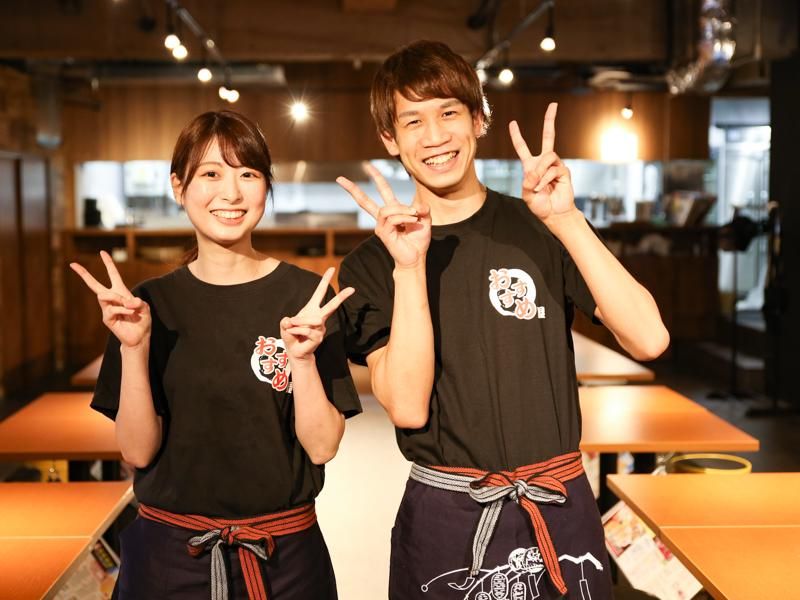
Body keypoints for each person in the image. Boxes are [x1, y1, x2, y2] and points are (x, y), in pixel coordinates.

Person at [336, 40, 669, 599]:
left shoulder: (541, 226)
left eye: (448, 112)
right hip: (446, 516)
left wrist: (566, 220)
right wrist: (409, 268)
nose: (434, 136)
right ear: (390, 138)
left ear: (478, 119)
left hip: (557, 504)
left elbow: (649, 338)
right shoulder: (373, 264)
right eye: (413, 120)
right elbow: (409, 407)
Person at [70, 110, 361, 600]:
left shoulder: (306, 298)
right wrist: (134, 348)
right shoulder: (147, 305)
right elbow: (137, 452)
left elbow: (321, 447)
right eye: (210, 174)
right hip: (169, 559)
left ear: (266, 187)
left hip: (282, 558)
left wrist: (303, 360)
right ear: (178, 186)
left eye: (248, 174)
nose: (231, 193)